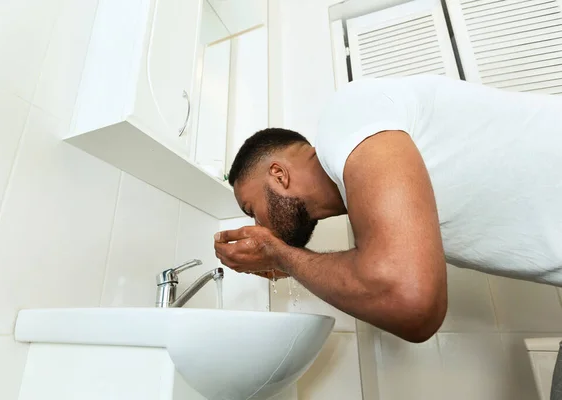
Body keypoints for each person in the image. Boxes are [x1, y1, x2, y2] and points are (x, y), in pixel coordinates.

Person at [213, 74, 562, 343]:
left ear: (278, 174)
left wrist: (280, 256)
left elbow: (410, 298)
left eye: (251, 208)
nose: (258, 224)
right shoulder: (383, 204)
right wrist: (284, 259)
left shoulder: (344, 116)